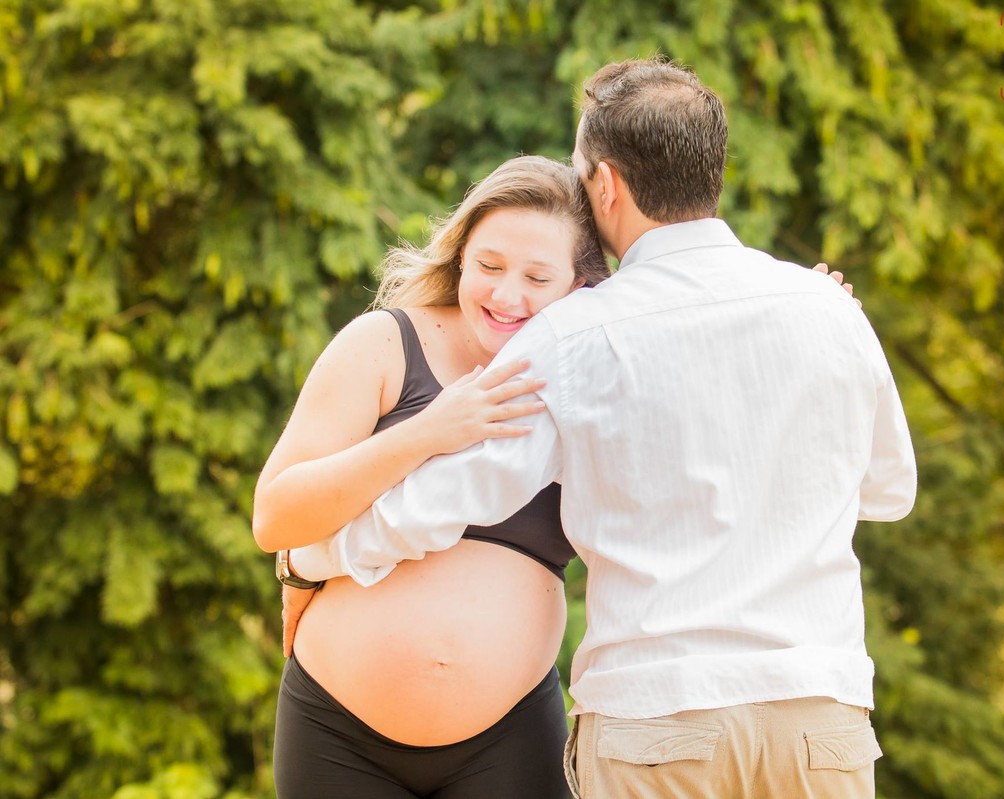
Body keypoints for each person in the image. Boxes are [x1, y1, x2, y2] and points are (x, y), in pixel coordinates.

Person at [291, 58, 916, 799]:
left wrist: (317, 555)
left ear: (607, 184)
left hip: (658, 721)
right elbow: (888, 489)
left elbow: (445, 498)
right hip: (819, 715)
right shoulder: (827, 308)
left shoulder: (576, 337)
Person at [253, 155, 611, 798]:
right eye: (490, 266)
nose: (506, 296)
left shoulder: (594, 377)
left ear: (579, 289)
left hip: (511, 738)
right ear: (460, 258)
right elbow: (276, 516)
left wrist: (806, 308)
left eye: (537, 277)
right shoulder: (384, 343)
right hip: (337, 734)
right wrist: (429, 433)